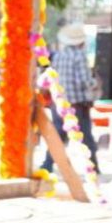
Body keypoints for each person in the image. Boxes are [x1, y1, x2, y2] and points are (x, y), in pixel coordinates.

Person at [42, 23, 101, 174]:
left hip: (59, 102)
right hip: (77, 104)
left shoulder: (58, 56)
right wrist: (95, 83)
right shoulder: (80, 56)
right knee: (85, 136)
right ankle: (93, 167)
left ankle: (47, 164)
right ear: (81, 41)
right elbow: (84, 81)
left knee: (58, 136)